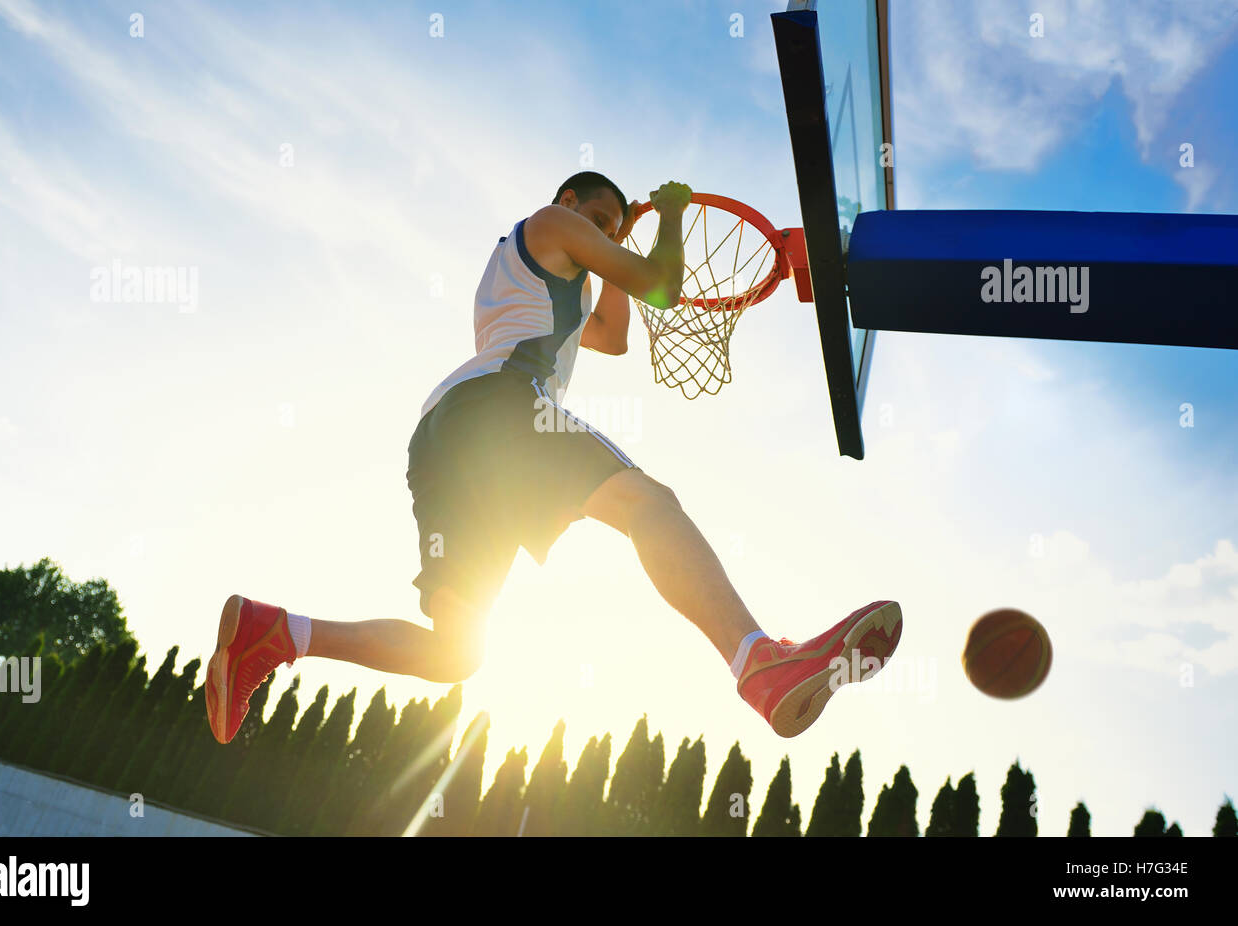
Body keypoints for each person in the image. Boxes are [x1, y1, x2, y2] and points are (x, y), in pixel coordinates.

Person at [206, 172, 901, 745]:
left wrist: (619, 248)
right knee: (648, 503)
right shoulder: (548, 221)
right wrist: (669, 217)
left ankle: (277, 633)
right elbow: (661, 283)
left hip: (447, 443)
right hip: (503, 408)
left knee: (457, 651)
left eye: (610, 224)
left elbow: (615, 337)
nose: (602, 228)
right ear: (568, 202)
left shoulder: (542, 273)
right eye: (596, 214)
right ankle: (758, 662)